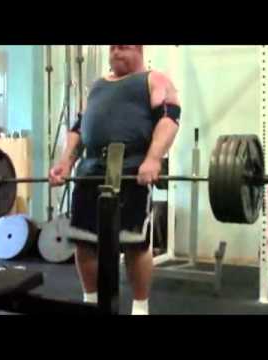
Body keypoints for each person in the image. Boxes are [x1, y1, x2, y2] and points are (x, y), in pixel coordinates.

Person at [49, 45, 181, 315]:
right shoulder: (97, 86)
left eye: (124, 47)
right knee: (84, 241)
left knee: (134, 242)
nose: (116, 52)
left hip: (132, 169)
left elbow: (169, 121)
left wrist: (154, 158)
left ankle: (140, 308)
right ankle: (90, 302)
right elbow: (79, 129)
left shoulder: (155, 79)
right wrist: (65, 162)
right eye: (113, 47)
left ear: (140, 49)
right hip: (91, 170)